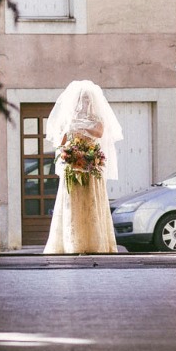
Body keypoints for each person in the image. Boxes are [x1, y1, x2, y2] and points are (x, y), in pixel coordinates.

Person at [42, 80, 123, 254]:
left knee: (91, 202)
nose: (83, 103)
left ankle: (95, 243)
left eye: (86, 99)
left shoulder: (97, 118)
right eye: (81, 99)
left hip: (91, 166)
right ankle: (72, 243)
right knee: (73, 202)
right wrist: (69, 147)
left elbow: (99, 132)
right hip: (73, 166)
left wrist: (82, 127)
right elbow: (61, 142)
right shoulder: (69, 120)